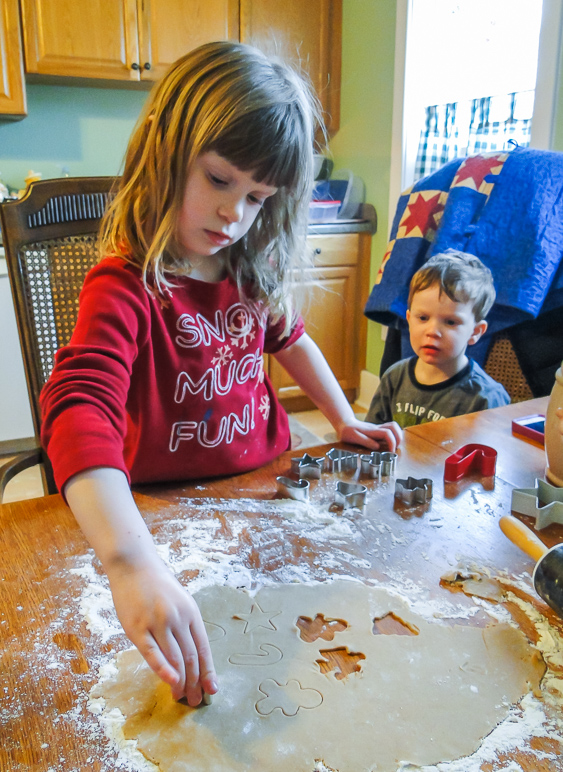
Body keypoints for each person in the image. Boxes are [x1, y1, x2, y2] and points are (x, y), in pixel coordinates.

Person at [40, 42, 402, 708]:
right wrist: (130, 563)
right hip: (162, 517)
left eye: (257, 196)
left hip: (262, 493)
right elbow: (79, 405)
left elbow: (294, 342)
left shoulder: (247, 273)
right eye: (218, 179)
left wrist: (343, 415)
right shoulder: (126, 287)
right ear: (165, 155)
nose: (235, 213)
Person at [366, 250, 510, 428]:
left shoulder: (486, 398)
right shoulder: (394, 377)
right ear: (409, 321)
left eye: (450, 322)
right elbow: (371, 440)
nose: (433, 331)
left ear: (475, 332)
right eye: (423, 318)